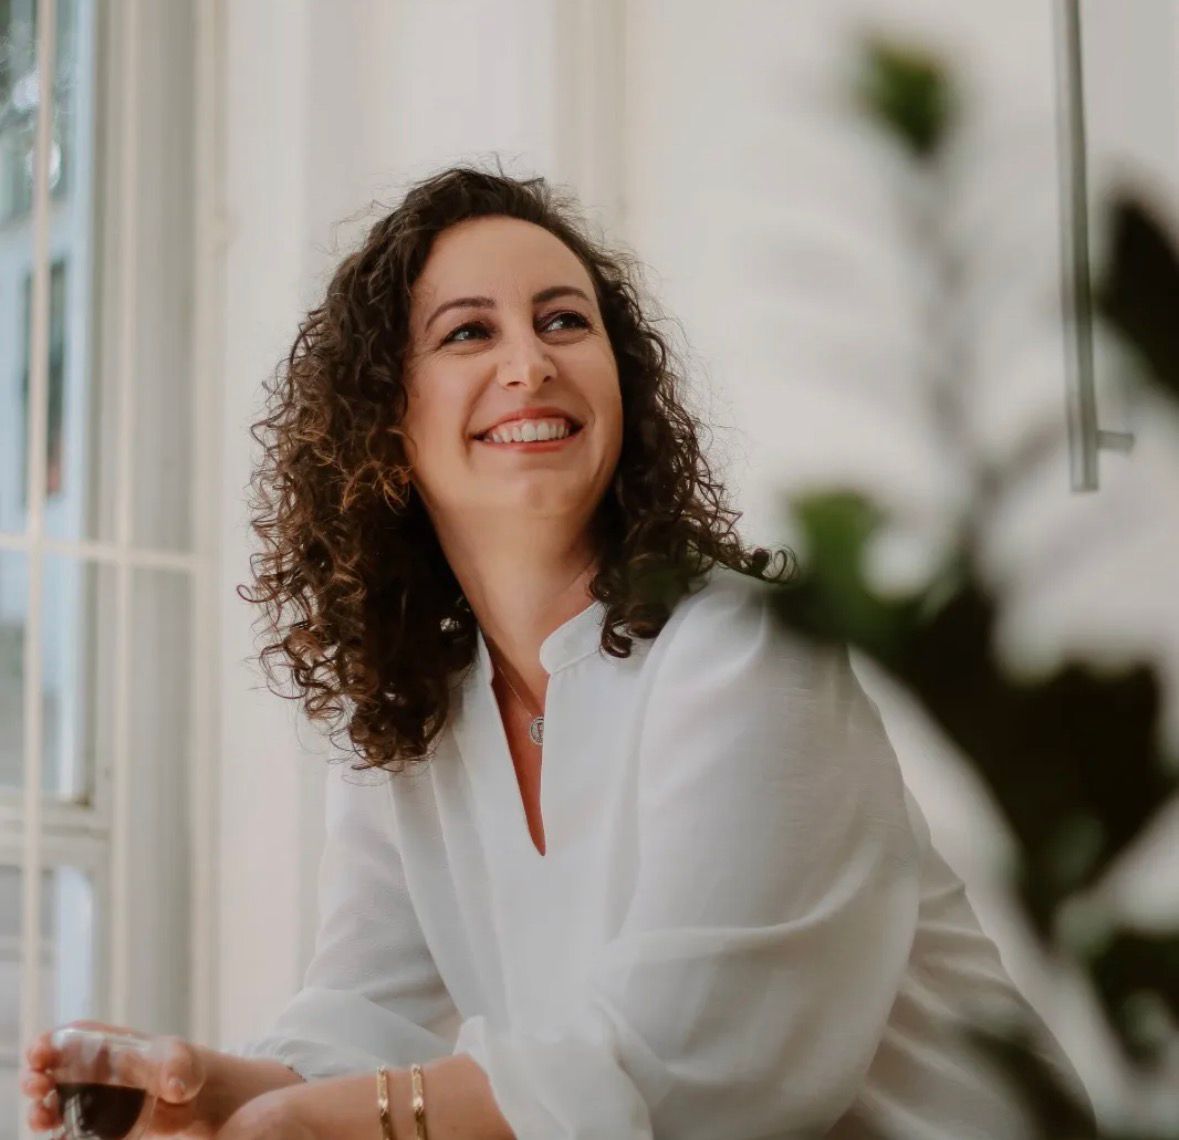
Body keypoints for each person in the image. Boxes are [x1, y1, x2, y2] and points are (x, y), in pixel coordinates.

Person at [22, 165, 1074, 1139]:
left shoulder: (748, 650)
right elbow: (367, 1020)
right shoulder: (417, 714)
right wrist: (209, 1090)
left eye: (565, 321)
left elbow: (692, 1065)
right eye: (468, 333)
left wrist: (314, 1124)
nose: (530, 364)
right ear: (383, 427)